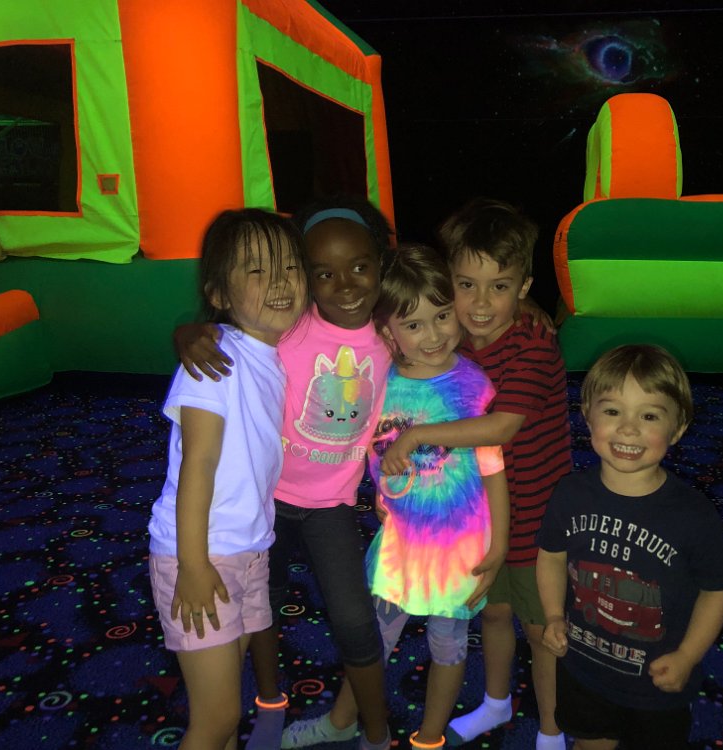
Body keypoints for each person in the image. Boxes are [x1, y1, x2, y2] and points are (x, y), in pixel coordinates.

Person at [173, 196, 395, 750]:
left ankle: (376, 730)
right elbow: (232, 325)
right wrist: (191, 332)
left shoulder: (393, 335)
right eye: (322, 273)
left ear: (380, 265)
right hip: (265, 503)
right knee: (261, 609)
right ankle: (269, 701)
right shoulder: (290, 328)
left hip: (330, 504)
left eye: (359, 267)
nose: (344, 285)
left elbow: (447, 320)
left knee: (353, 617)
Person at [283, 242, 512, 749]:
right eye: (414, 324)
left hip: (460, 545)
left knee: (448, 644)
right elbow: (366, 444)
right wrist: (378, 493)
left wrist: (498, 545)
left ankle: (429, 738)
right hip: (399, 543)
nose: (434, 334)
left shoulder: (471, 385)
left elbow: (493, 467)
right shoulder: (380, 381)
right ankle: (342, 720)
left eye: (442, 315)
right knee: (372, 638)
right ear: (389, 332)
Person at [381, 198, 572, 750]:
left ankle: (553, 730)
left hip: (537, 513)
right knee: (493, 613)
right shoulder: (455, 338)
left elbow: (501, 426)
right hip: (481, 510)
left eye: (500, 287)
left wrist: (416, 437)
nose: (481, 303)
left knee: (540, 627)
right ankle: (495, 702)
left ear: (524, 286)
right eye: (466, 286)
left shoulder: (533, 344)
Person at [147, 208, 307, 750]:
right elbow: (198, 465)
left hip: (246, 547)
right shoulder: (216, 362)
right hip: (202, 554)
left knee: (225, 712)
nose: (280, 282)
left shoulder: (270, 356)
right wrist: (193, 565)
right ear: (218, 293)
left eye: (289, 267)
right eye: (257, 270)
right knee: (214, 720)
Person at [536, 344, 723, 750]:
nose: (628, 429)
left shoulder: (693, 515)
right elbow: (552, 557)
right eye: (613, 411)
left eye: (649, 416)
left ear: (677, 429)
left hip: (655, 682)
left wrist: (688, 656)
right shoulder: (569, 494)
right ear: (587, 415)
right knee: (589, 741)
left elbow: (716, 590)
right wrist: (554, 614)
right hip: (584, 668)